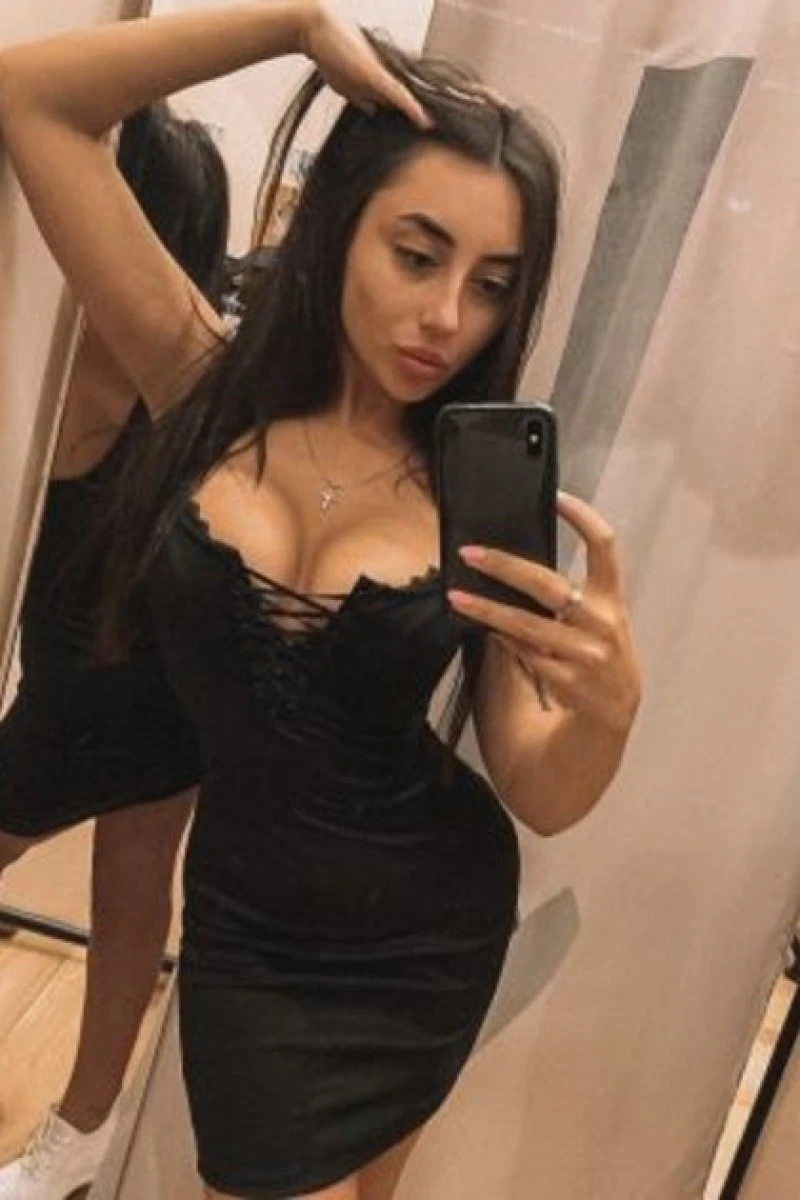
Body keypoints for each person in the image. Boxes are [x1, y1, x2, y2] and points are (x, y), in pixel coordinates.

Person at [0, 5, 643, 1199]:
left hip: (421, 928)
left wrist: (606, 711)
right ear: (340, 227)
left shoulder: (472, 498)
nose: (447, 319)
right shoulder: (198, 383)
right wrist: (292, 26)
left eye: (491, 284)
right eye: (416, 254)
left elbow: (540, 788)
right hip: (245, 923)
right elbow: (33, 97)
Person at [0, 101, 229, 1199]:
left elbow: (33, 93)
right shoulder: (205, 376)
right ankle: (85, 1135)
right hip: (164, 691)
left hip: (85, 699)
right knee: (135, 898)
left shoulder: (83, 360)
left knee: (131, 895)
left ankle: (81, 1137)